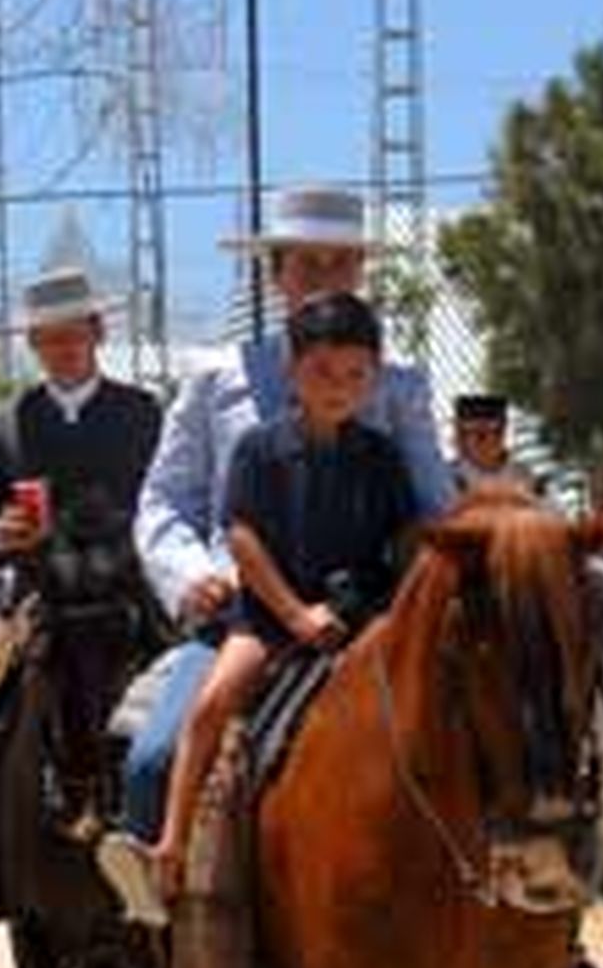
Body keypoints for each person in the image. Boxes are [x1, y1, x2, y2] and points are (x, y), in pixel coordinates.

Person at [104, 295, 416, 968]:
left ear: (372, 377)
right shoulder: (260, 451)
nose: (338, 385)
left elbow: (400, 540)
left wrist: (365, 605)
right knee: (209, 708)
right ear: (292, 371)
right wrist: (295, 615)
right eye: (322, 371)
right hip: (270, 621)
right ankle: (171, 846)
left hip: (357, 624)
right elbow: (241, 539)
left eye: (354, 373)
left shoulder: (380, 457)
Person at [111, 184, 453, 863]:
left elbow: (433, 506)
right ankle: (155, 921)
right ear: (274, 273)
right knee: (152, 758)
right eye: (307, 263)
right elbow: (166, 499)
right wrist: (191, 576)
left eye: (341, 263)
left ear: (362, 271)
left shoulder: (402, 383)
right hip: (243, 611)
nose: (325, 277)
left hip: (368, 615)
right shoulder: (215, 377)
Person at [0, 263, 163, 938]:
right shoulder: (3, 424)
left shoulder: (142, 414)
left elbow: (169, 503)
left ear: (97, 332)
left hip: (131, 598)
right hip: (38, 603)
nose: (61, 348)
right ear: (33, 345)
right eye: (47, 339)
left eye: (72, 335)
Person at [450, 392, 535, 495]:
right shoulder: (446, 478)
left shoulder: (522, 478)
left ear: (502, 434)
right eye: (473, 432)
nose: (481, 441)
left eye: (488, 432)